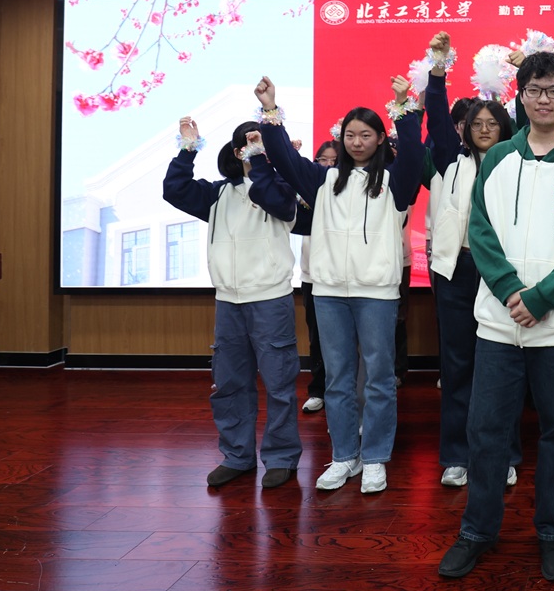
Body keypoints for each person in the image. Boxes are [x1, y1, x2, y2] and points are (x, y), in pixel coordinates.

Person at [438, 51, 554, 583]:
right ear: (521, 95)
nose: (544, 99)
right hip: (498, 323)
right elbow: (481, 231)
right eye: (535, 90)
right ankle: (477, 530)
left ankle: (553, 531)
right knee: (486, 429)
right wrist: (513, 291)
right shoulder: (498, 157)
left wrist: (543, 298)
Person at [255, 60, 430, 494]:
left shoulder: (394, 182)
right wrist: (271, 110)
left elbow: (412, 154)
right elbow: (284, 159)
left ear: (379, 139)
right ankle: (344, 456)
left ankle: (375, 458)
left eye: (366, 135)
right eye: (350, 135)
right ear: (341, 138)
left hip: (377, 293)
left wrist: (404, 108)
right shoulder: (323, 179)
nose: (357, 142)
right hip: (329, 292)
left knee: (379, 379)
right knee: (336, 379)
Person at [163, 117, 302, 489]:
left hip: (270, 300)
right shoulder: (217, 194)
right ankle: (238, 456)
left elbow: (276, 202)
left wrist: (263, 161)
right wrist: (188, 148)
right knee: (229, 384)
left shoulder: (282, 189)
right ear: (237, 151)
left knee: (279, 385)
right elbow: (174, 189)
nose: (255, 150)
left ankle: (281, 457)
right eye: (249, 145)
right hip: (228, 302)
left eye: (262, 145)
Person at [426, 57, 524, 488]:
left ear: (505, 128)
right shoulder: (450, 160)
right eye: (476, 123)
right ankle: (457, 456)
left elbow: (529, 115)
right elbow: (435, 116)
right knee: (457, 366)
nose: (484, 129)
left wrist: (524, 71)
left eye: (492, 123)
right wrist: (437, 72)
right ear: (464, 129)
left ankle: (504, 455)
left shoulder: (518, 163)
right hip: (457, 271)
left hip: (501, 274)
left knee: (502, 367)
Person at [298, 140, 339, 415]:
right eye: (322, 160)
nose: (328, 165)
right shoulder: (307, 188)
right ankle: (318, 389)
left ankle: (344, 393)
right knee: (317, 337)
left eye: (334, 160)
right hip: (313, 276)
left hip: (343, 276)